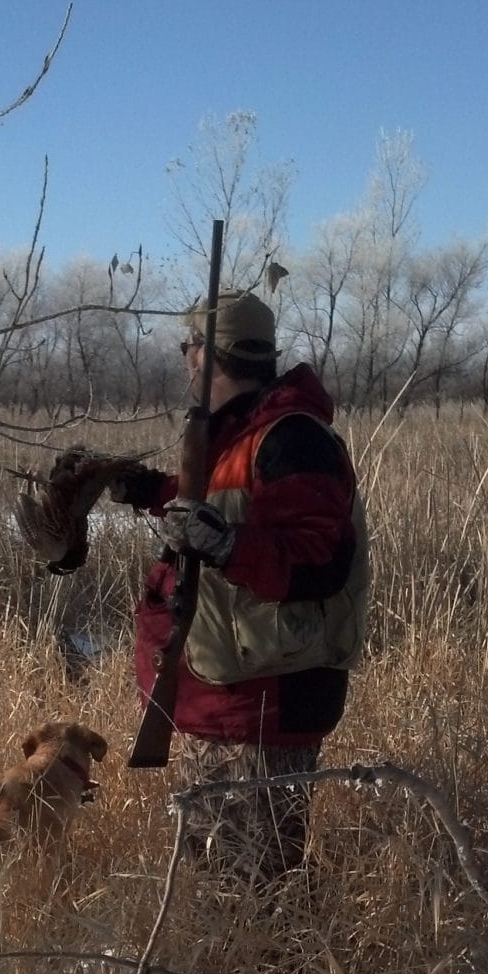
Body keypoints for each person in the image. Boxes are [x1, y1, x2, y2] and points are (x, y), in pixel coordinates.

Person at [118, 289, 369, 897]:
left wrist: (225, 545)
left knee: (253, 894)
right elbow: (222, 504)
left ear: (208, 356)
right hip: (232, 693)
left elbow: (317, 561)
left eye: (189, 347)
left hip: (265, 701)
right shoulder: (242, 436)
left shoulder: (291, 439)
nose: (185, 360)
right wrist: (141, 488)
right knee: (227, 888)